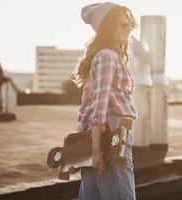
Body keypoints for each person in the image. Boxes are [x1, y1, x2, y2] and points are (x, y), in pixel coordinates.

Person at [73, 2, 137, 200]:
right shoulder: (108, 57)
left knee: (91, 195)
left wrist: (90, 145)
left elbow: (89, 105)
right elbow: (100, 106)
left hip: (96, 134)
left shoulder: (101, 56)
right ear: (108, 27)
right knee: (120, 194)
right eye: (123, 25)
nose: (128, 30)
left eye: (130, 25)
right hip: (111, 132)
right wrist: (97, 149)